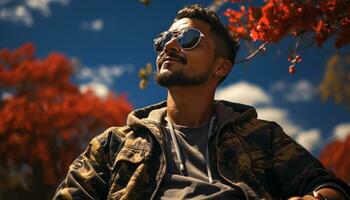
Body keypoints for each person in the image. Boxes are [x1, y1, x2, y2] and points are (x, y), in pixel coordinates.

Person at [53, 4, 350, 200]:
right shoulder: (113, 144)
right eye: (165, 39)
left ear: (221, 67)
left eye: (188, 38)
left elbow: (329, 186)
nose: (169, 45)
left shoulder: (262, 137)